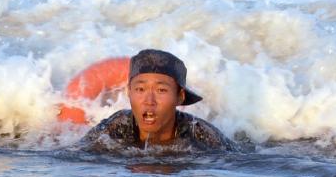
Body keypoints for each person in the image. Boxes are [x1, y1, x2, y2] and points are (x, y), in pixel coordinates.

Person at [80, 49, 236, 152]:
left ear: (180, 96)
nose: (149, 101)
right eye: (140, 89)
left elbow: (239, 161)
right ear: (129, 92)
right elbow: (76, 153)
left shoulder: (199, 134)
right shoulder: (119, 125)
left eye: (161, 90)